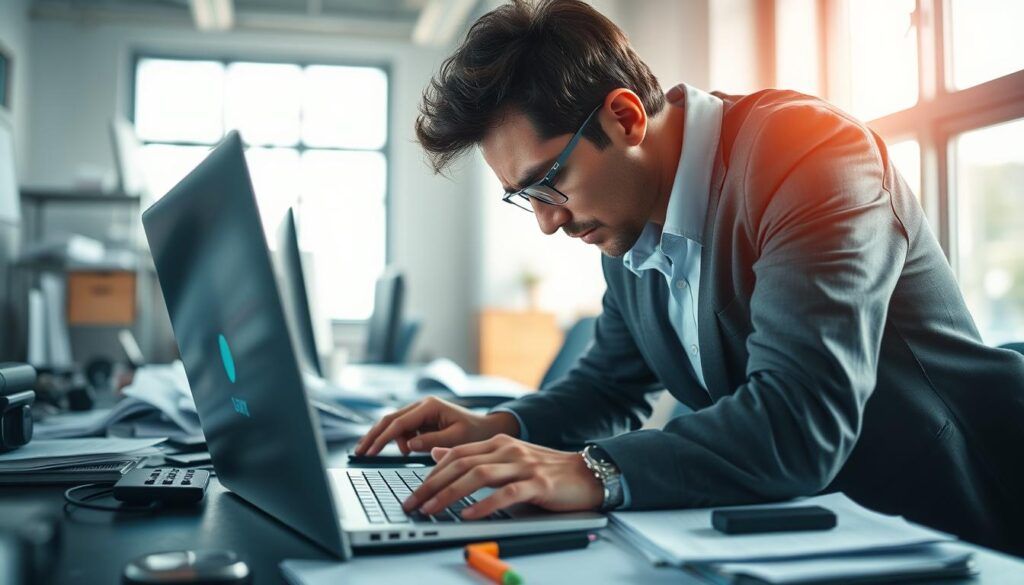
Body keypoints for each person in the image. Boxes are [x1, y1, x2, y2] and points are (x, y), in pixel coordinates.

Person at [354, 0, 1024, 554]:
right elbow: (609, 385)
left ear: (624, 116)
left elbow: (800, 417)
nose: (547, 224)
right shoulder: (626, 221)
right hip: (817, 536)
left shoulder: (810, 155)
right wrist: (495, 425)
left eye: (549, 184)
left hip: (957, 527)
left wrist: (594, 469)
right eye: (524, 197)